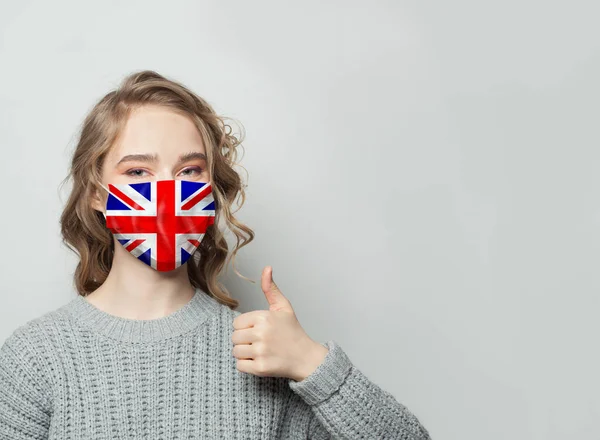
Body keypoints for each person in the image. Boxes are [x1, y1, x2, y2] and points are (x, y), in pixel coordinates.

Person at [0, 70, 431, 439]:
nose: (167, 193)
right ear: (97, 192)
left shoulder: (260, 351)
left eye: (189, 170)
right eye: (138, 171)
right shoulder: (37, 356)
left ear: (209, 191)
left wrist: (311, 364)